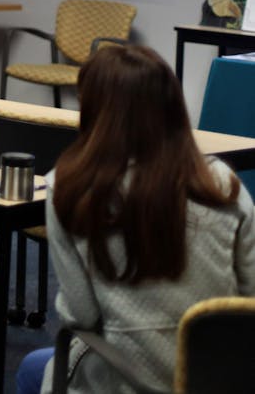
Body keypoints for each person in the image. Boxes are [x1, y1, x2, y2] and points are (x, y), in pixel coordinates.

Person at [14, 46, 255, 393]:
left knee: (32, 370)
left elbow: (81, 316)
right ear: (172, 108)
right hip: (218, 375)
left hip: (129, 376)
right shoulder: (221, 184)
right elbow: (248, 295)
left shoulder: (71, 188)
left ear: (95, 110)